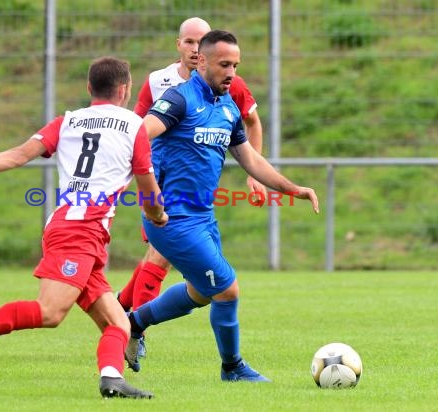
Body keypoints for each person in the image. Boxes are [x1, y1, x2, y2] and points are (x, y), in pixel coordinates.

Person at [0, 56, 168, 399]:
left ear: (89, 88)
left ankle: (112, 379)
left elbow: (20, 154)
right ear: (124, 90)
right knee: (50, 312)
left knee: (117, 322)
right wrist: (157, 215)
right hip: (80, 232)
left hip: (72, 228)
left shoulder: (68, 121)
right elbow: (147, 188)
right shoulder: (135, 125)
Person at [124, 30, 319, 382]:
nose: (231, 72)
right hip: (171, 219)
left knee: (201, 292)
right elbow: (139, 134)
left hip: (203, 217)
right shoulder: (179, 100)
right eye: (224, 64)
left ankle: (133, 322)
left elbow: (251, 160)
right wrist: (147, 189)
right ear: (201, 61)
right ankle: (233, 368)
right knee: (227, 288)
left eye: (236, 65)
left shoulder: (228, 109)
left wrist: (294, 189)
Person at [117, 17, 267, 363]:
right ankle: (133, 329)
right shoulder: (160, 82)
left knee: (197, 287)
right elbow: (136, 131)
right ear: (180, 46)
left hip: (202, 206)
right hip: (163, 195)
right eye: (189, 42)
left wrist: (255, 173)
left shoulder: (229, 85)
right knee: (163, 259)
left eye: (201, 42)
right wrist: (136, 178)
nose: (195, 49)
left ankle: (126, 316)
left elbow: (251, 122)